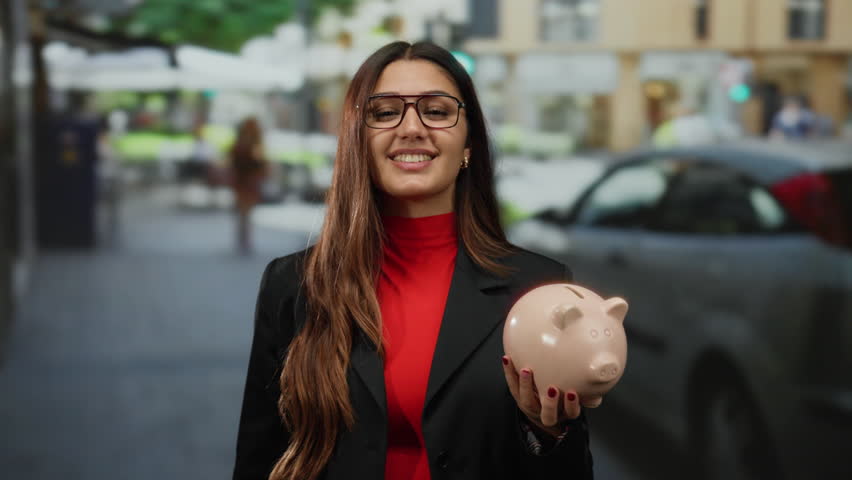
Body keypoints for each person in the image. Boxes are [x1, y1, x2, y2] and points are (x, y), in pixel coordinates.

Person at [233, 41, 596, 480]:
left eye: (437, 111)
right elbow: (258, 458)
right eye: (385, 112)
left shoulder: (540, 288)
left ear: (469, 144)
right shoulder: (293, 284)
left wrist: (547, 432)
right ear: (358, 141)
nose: (411, 128)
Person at [229, 116, 268, 254]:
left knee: (246, 212)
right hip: (244, 182)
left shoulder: (253, 145)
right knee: (244, 212)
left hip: (248, 182)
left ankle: (244, 238)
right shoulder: (243, 146)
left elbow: (261, 164)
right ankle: (243, 238)